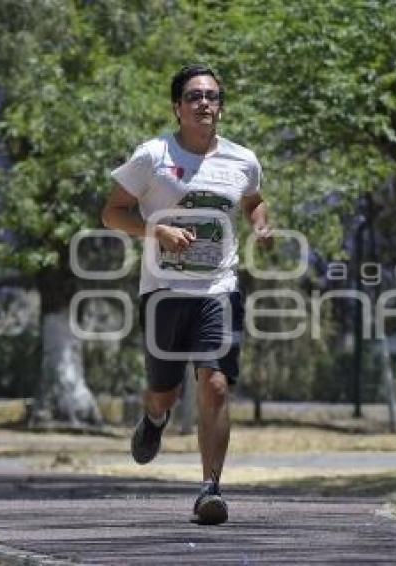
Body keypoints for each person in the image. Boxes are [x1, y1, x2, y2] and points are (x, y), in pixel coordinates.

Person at [102, 64, 271, 525]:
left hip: (220, 287)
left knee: (215, 384)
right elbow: (112, 213)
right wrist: (156, 229)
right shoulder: (152, 156)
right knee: (165, 392)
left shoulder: (242, 159)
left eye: (212, 96)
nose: (204, 104)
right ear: (177, 108)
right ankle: (154, 418)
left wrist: (261, 224)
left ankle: (210, 489)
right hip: (164, 291)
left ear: (221, 106)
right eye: (194, 96)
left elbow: (253, 199)